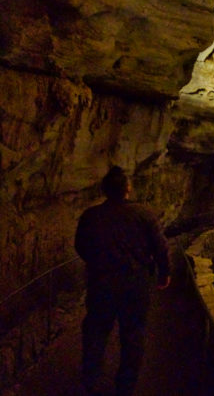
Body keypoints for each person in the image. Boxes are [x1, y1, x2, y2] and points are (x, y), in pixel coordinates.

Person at [75, 166, 171, 396]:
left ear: (105, 190)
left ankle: (90, 379)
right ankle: (125, 386)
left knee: (96, 331)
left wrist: (97, 263)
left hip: (102, 282)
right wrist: (164, 273)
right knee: (133, 334)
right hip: (135, 283)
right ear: (127, 189)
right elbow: (160, 247)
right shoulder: (144, 214)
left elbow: (81, 246)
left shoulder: (91, 216)